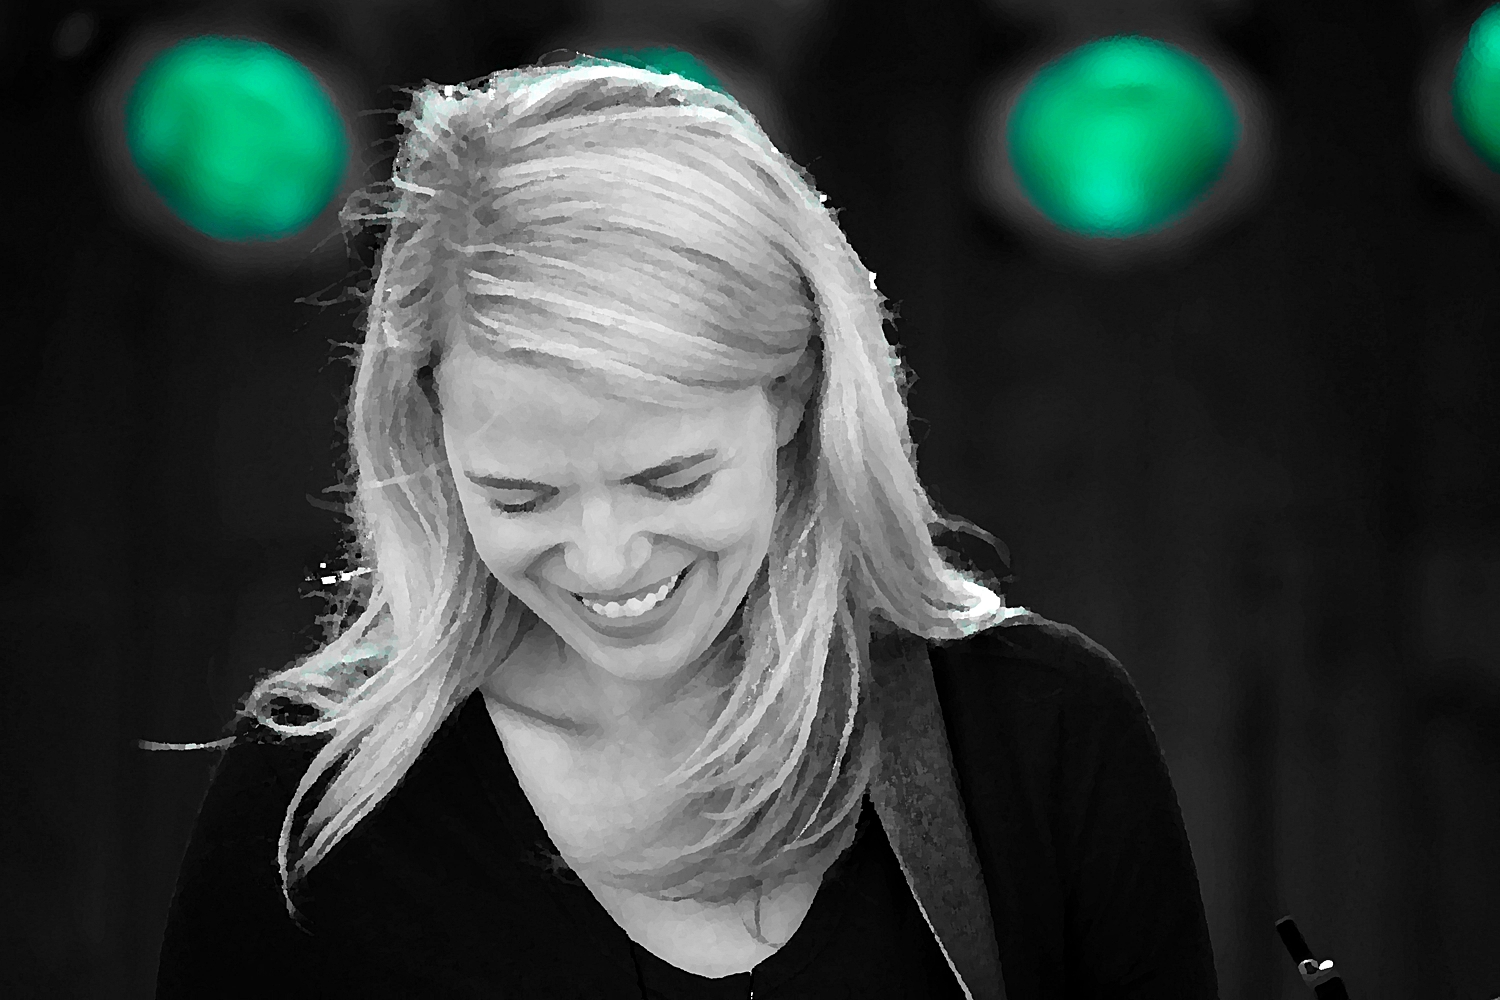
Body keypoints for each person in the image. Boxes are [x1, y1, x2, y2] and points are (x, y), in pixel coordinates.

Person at [153, 53, 1219, 998]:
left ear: (794, 398)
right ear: (432, 440)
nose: (604, 559)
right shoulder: (318, 799)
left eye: (670, 481)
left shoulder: (1036, 735)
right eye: (521, 497)